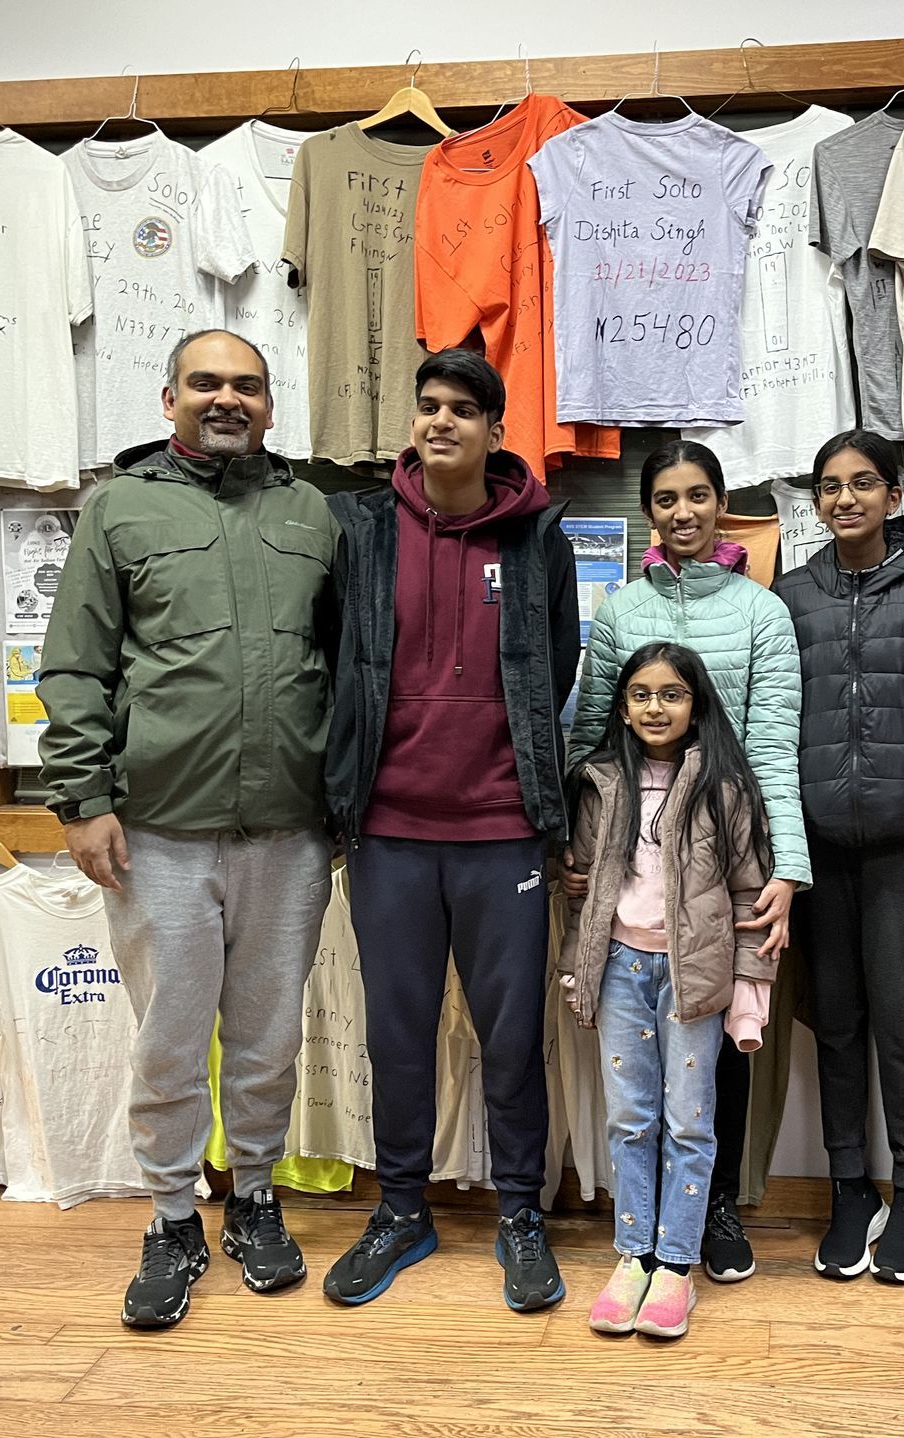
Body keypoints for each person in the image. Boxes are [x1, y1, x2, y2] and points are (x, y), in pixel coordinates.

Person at [39, 329, 340, 1330]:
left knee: (268, 1036)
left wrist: (344, 798)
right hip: (158, 829)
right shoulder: (120, 508)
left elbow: (347, 664)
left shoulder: (310, 513)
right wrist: (82, 799)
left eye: (246, 386)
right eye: (205, 383)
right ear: (169, 398)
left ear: (270, 405)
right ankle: (172, 1216)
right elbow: (75, 664)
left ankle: (253, 1198)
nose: (227, 399)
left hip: (289, 830)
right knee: (171, 1037)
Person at [322, 348, 580, 1312]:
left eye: (463, 409)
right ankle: (401, 1209)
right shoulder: (362, 530)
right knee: (398, 1033)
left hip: (502, 830)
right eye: (428, 405)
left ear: (495, 431)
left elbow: (554, 673)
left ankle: (521, 1214)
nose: (441, 421)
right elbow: (336, 661)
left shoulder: (538, 540)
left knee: (511, 1038)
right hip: (387, 830)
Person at [567, 438, 808, 1284]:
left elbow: (772, 747)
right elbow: (590, 737)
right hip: (634, 877)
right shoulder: (622, 612)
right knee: (645, 1079)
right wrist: (575, 849)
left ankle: (715, 1209)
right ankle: (645, 1236)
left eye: (698, 495)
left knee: (721, 1038)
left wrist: (787, 869)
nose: (683, 513)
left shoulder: (760, 611)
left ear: (720, 504)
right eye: (666, 498)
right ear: (648, 511)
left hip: (725, 861)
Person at [775, 428, 904, 1283]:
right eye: (830, 486)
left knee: (903, 1023)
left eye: (863, 483)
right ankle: (850, 1188)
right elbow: (776, 709)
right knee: (836, 1023)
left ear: (895, 495)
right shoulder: (792, 593)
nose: (845, 498)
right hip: (818, 846)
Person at [561, 643, 776, 1339]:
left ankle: (676, 1265)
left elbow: (749, 896)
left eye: (672, 694)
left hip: (695, 977)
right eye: (642, 695)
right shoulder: (600, 783)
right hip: (621, 970)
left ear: (696, 705)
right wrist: (578, 965)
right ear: (623, 708)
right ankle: (634, 1257)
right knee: (631, 1119)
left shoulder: (726, 787)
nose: (656, 707)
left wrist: (750, 989)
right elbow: (586, 890)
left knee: (689, 1120)